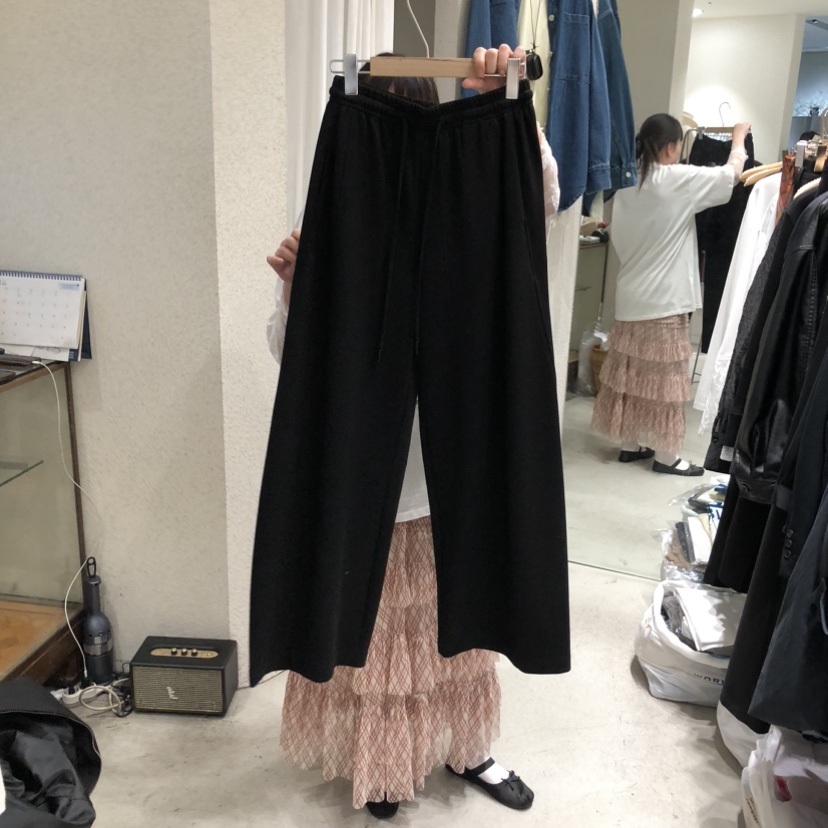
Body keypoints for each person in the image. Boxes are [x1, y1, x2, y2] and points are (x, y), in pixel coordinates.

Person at [265, 46, 559, 820]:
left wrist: (507, 103)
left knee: (460, 631)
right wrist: (298, 292)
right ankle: (387, 764)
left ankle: (469, 748)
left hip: (450, 480)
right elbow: (295, 361)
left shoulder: (476, 207)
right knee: (378, 640)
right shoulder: (346, 216)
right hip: (375, 484)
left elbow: (541, 198)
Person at [591, 113, 751, 476]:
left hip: (630, 297)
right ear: (670, 148)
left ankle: (631, 445)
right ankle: (667, 458)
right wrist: (739, 138)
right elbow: (730, 175)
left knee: (633, 376)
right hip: (664, 299)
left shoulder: (627, 181)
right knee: (667, 382)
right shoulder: (676, 179)